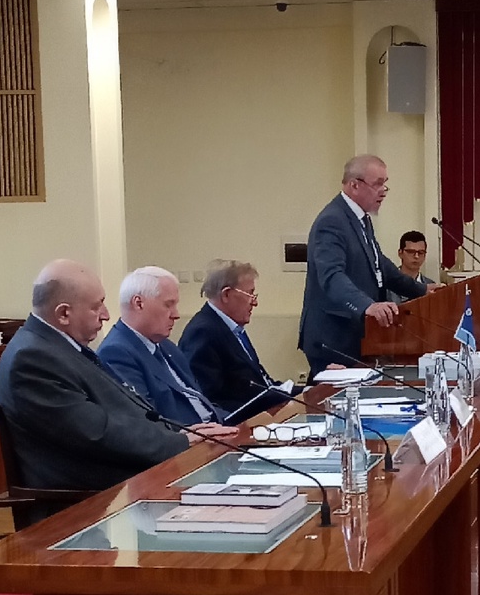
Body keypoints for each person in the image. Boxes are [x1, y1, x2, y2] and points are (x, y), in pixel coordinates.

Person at [0, 259, 234, 501]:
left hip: (125, 485)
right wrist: (179, 442)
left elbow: (128, 410)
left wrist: (180, 432)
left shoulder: (58, 347)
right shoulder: (32, 358)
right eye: (96, 306)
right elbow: (97, 432)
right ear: (64, 313)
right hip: (87, 501)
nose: (106, 315)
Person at [299, 153, 426, 375]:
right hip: (334, 338)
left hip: (356, 336)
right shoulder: (332, 221)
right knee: (331, 396)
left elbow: (380, 266)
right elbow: (332, 276)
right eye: (378, 184)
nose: (383, 191)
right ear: (354, 185)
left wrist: (422, 290)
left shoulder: (361, 219)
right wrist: (367, 305)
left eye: (385, 184)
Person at [98, 266, 232, 425]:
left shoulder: (167, 346)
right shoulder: (115, 353)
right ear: (139, 303)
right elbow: (146, 422)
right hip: (188, 437)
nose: (176, 315)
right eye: (168, 305)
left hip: (215, 429)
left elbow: (199, 403)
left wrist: (238, 420)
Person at [179, 259, 298, 421]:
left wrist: (305, 391)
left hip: (265, 414)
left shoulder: (232, 328)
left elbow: (262, 383)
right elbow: (210, 401)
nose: (255, 302)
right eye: (250, 294)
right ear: (226, 294)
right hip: (243, 424)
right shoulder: (203, 332)